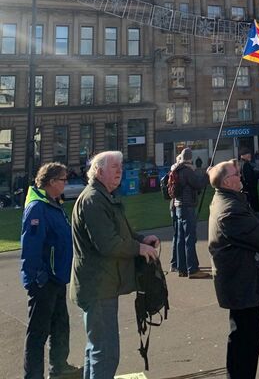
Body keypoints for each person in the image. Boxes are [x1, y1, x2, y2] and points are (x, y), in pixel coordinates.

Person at [70, 151, 160, 378]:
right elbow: (108, 243)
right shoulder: (93, 199)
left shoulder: (103, 197)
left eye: (121, 166)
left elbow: (120, 233)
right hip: (98, 286)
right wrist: (139, 249)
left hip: (102, 284)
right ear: (99, 171)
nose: (120, 170)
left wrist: (141, 239)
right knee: (106, 352)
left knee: (97, 349)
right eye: (114, 167)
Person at [207, 160, 259, 379]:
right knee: (246, 341)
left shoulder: (230, 200)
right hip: (242, 284)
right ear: (227, 181)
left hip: (243, 282)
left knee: (246, 337)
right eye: (237, 174)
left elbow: (252, 220)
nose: (241, 177)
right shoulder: (230, 210)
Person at [20, 162, 81, 379]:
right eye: (63, 180)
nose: (66, 183)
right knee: (38, 332)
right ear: (52, 182)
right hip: (44, 280)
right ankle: (33, 375)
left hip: (57, 277)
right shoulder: (37, 207)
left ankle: (59, 366)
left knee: (60, 326)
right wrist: (37, 278)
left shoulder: (53, 203)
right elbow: (31, 246)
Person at [173, 147, 210, 278]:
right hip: (187, 206)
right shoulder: (187, 171)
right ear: (190, 158)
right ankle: (192, 269)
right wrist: (207, 175)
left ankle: (181, 267)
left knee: (180, 238)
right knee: (190, 238)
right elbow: (198, 184)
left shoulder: (177, 169)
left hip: (178, 206)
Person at [239, 147, 259, 212]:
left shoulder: (241, 163)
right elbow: (248, 179)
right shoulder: (245, 164)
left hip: (246, 191)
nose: (249, 155)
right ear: (242, 155)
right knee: (254, 209)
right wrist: (256, 174)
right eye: (247, 154)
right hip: (250, 191)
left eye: (249, 153)